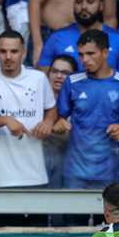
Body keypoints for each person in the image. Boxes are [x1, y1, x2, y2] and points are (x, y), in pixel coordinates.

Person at [0, 30, 57, 188]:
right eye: (3, 51)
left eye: (14, 51)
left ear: (23, 52)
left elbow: (51, 108)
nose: (8, 56)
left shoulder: (38, 78)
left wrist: (48, 122)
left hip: (35, 175)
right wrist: (5, 120)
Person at [57, 29, 119, 189]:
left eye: (90, 53)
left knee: (108, 214)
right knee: (73, 214)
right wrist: (59, 124)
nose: (84, 59)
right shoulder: (72, 82)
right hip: (75, 170)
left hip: (111, 169)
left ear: (105, 52)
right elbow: (59, 118)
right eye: (81, 54)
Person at [37, 0, 119, 74]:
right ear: (73, 5)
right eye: (79, 1)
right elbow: (43, 77)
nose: (84, 7)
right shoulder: (56, 37)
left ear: (101, 5)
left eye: (90, 2)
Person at [43, 55, 76, 189]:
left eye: (65, 73)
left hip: (71, 163)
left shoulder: (80, 101)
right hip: (40, 163)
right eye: (55, 71)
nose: (59, 76)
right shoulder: (35, 98)